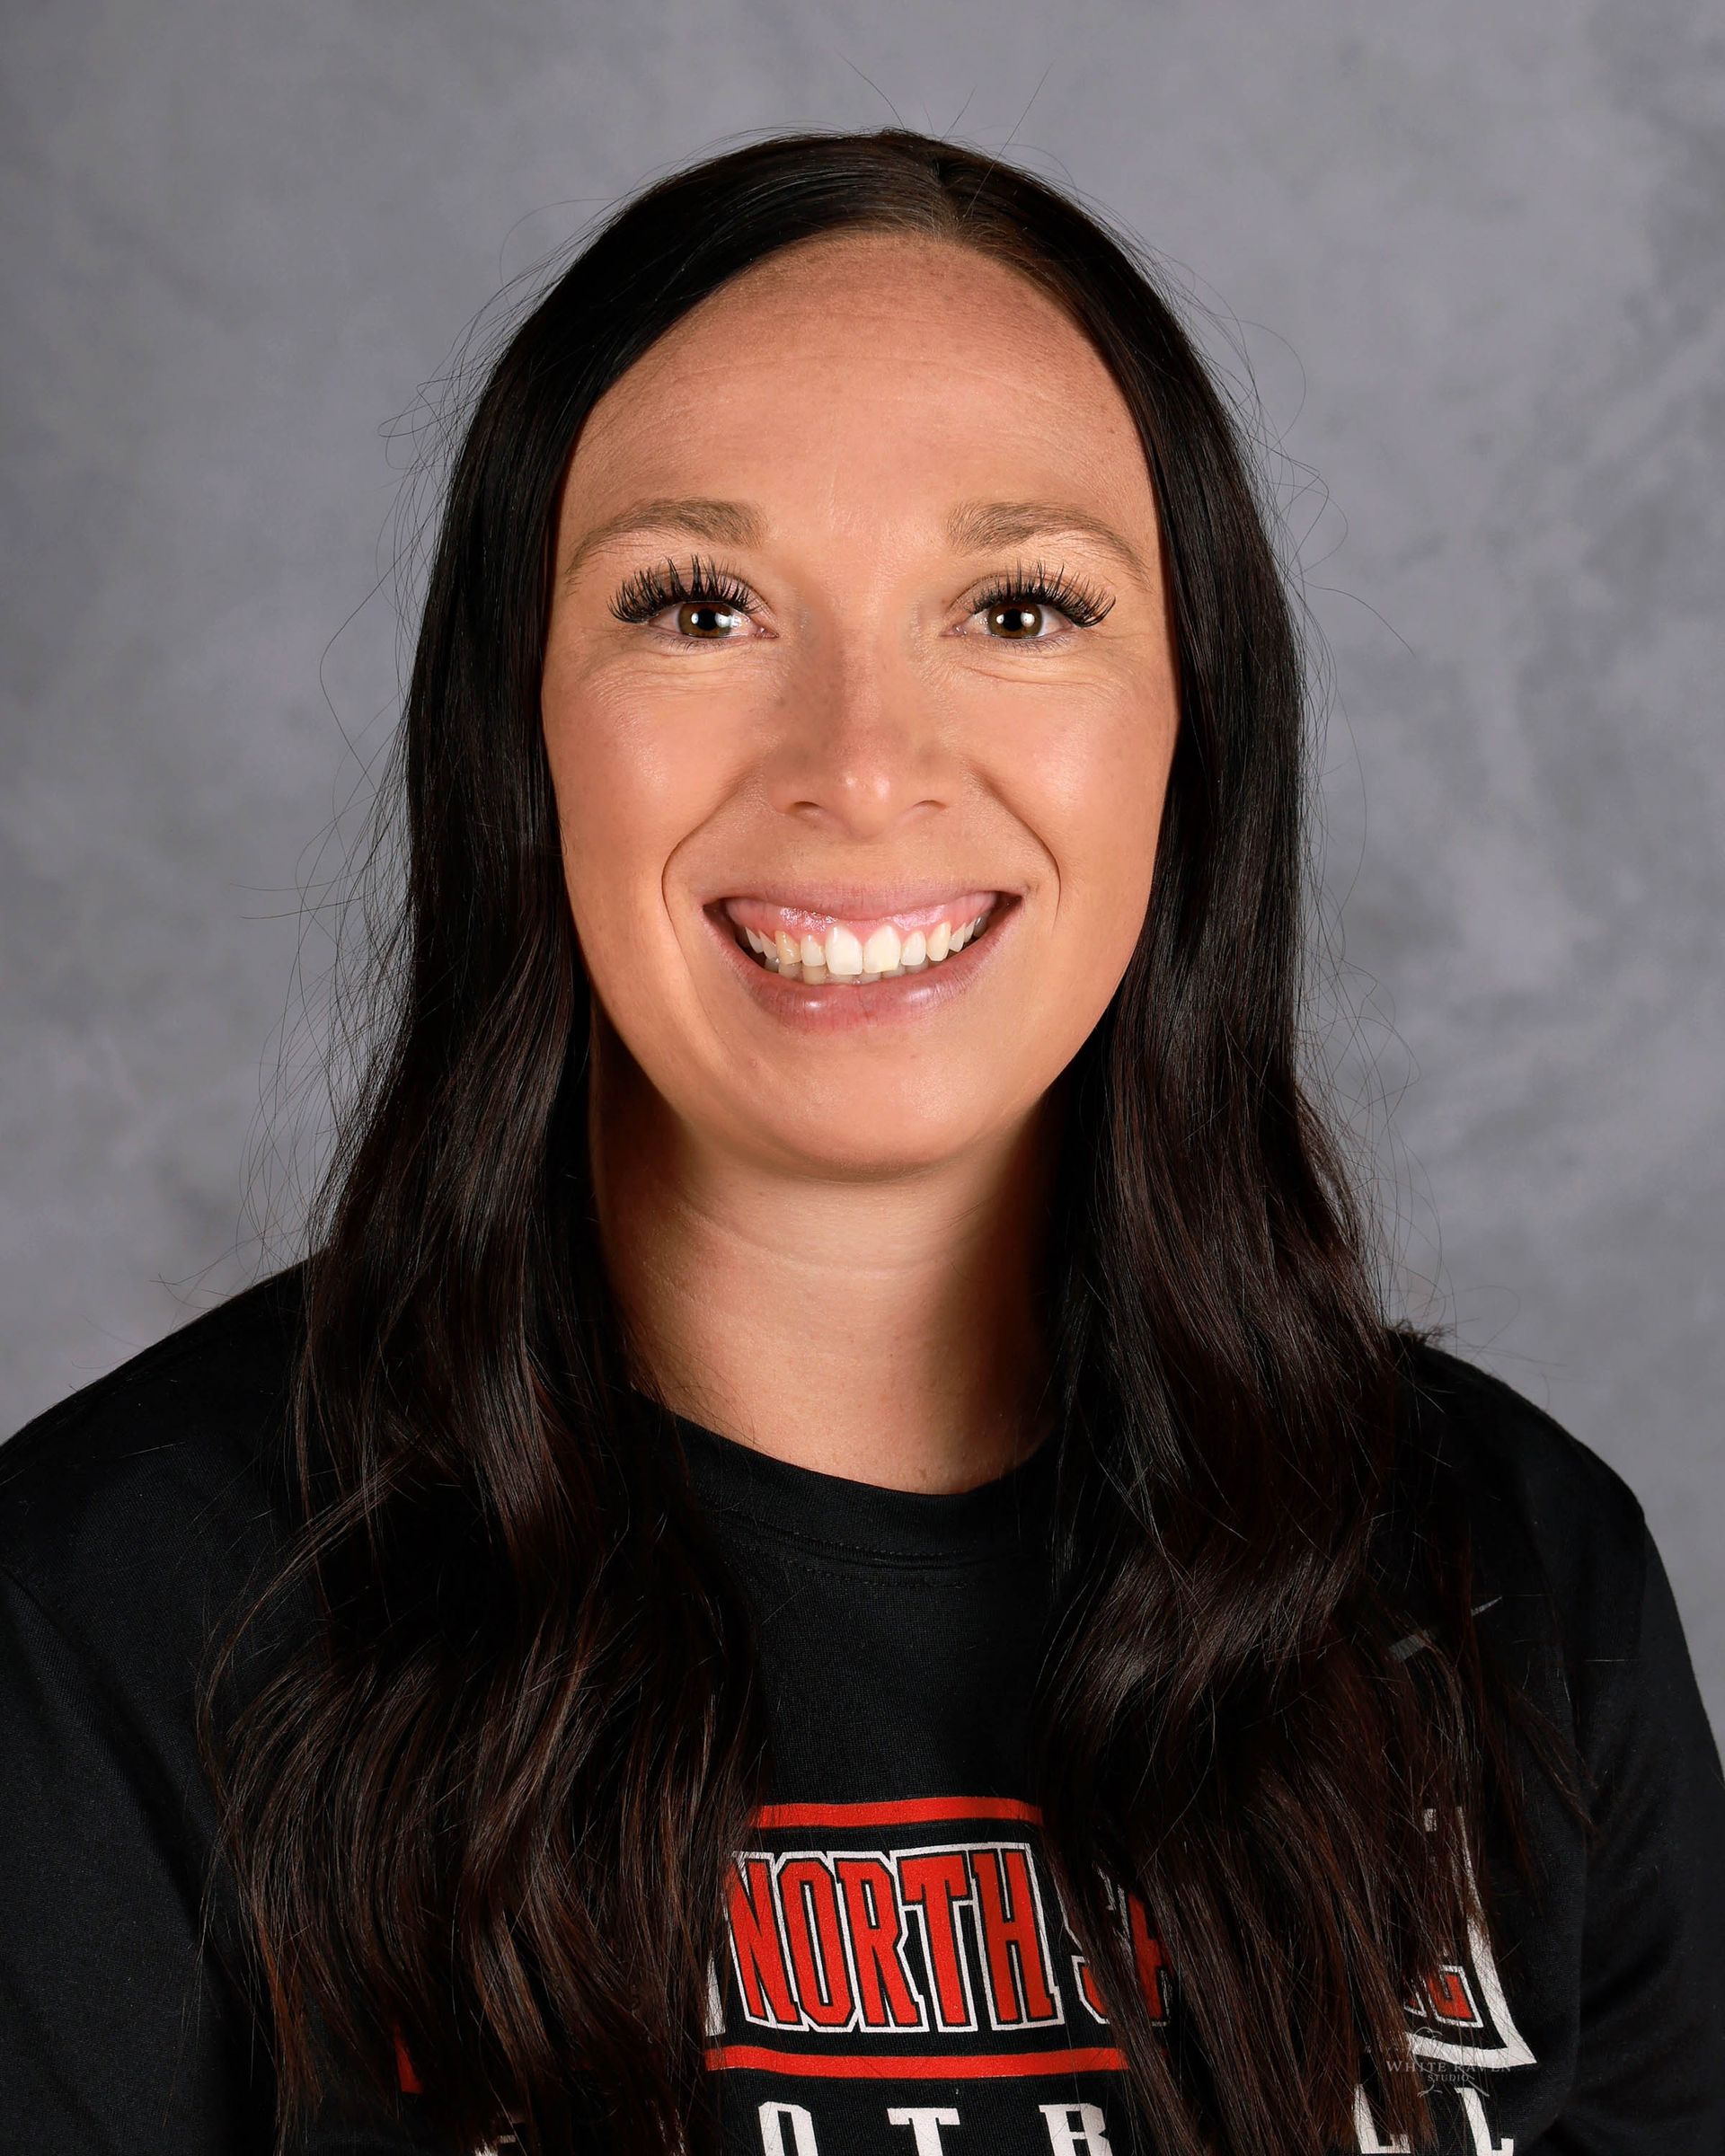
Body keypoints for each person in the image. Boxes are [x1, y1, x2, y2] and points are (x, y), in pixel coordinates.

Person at [2, 126, 1721, 2156]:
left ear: (1193, 727)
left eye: (1020, 607)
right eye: (701, 605)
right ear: (518, 731)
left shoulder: (1518, 1580)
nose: (862, 766)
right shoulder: (105, 1628)